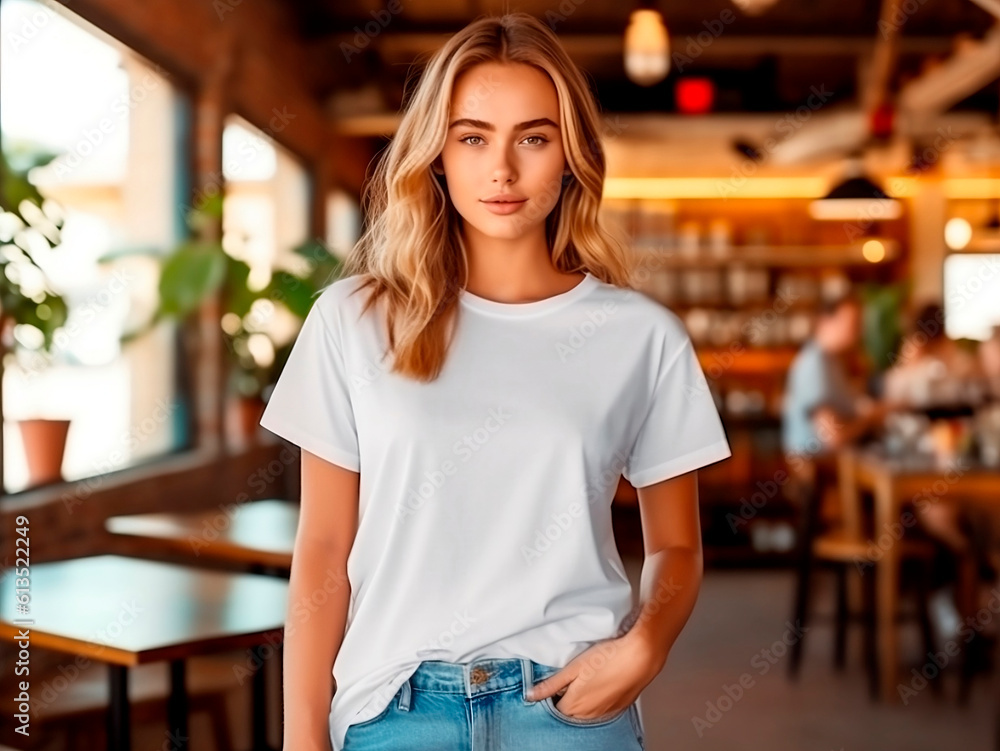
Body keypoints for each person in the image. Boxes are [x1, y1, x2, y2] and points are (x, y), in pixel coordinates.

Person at [259, 13, 731, 751]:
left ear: (570, 156)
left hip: (571, 704)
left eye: (533, 138)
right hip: (395, 707)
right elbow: (322, 545)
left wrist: (646, 645)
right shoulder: (351, 319)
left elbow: (677, 547)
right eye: (473, 136)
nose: (502, 170)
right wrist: (300, 737)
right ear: (437, 153)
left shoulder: (642, 336)